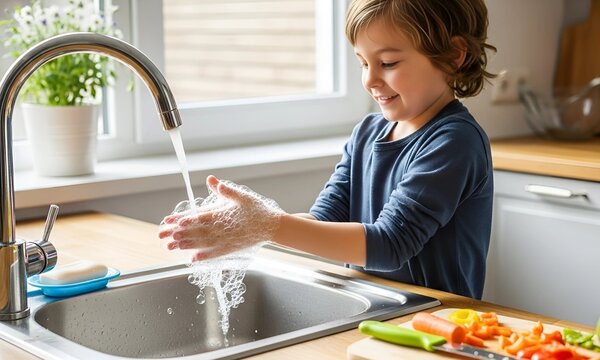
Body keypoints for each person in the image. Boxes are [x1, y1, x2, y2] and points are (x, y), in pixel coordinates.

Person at [159, 0, 496, 300]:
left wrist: (267, 225)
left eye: (388, 63)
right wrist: (244, 229)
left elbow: (391, 245)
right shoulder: (367, 132)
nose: (370, 80)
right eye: (363, 62)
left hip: (438, 325)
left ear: (454, 55)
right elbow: (323, 220)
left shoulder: (454, 142)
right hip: (377, 310)